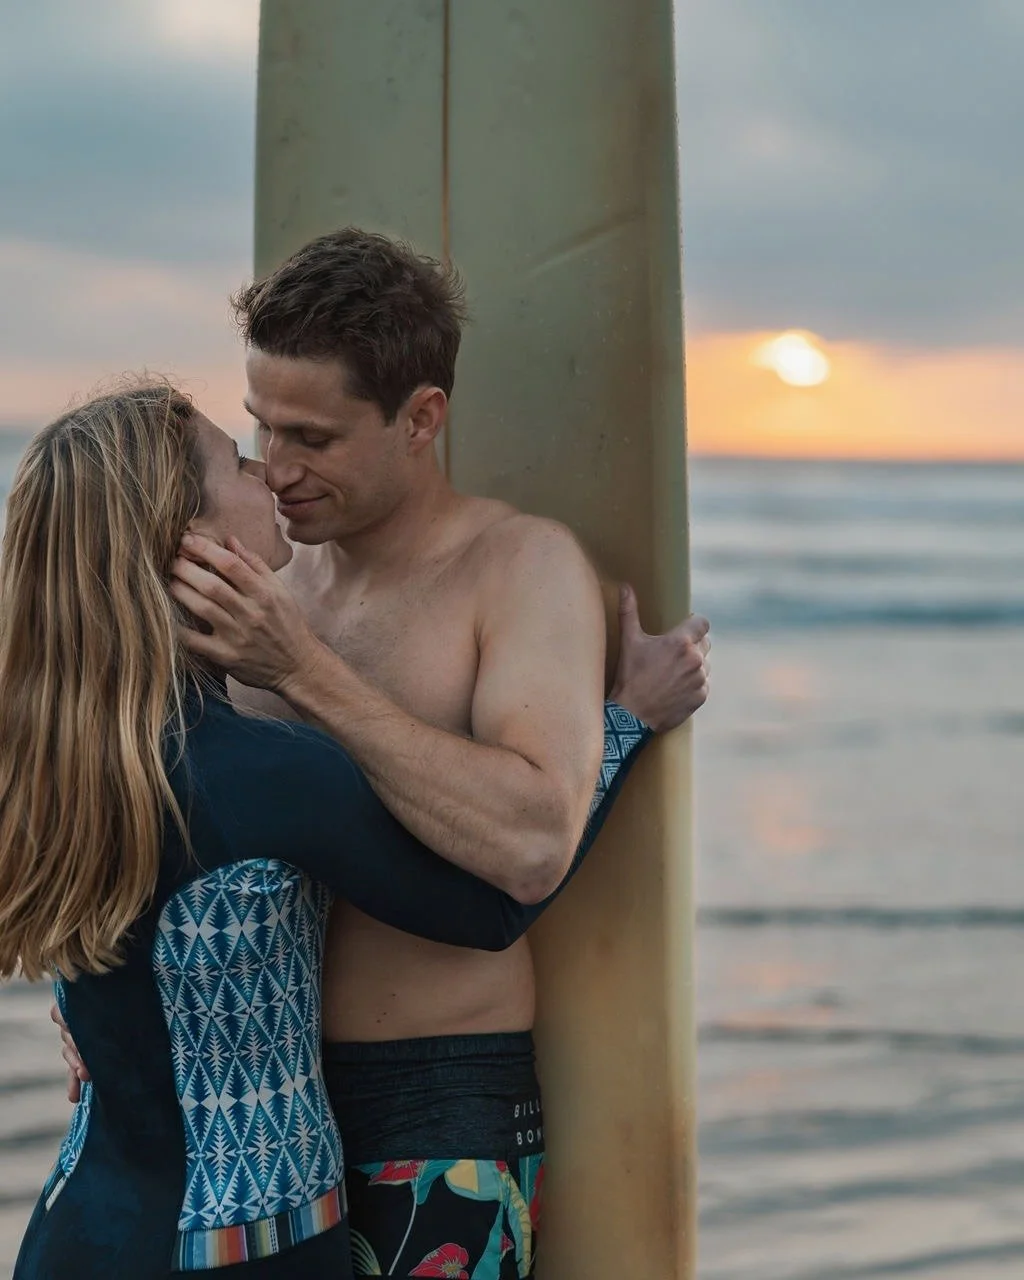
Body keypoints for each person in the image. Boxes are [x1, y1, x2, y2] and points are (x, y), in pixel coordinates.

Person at [2, 383, 655, 1279]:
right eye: (237, 459)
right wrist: (623, 725)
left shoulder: (39, 761)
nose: (265, 468)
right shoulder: (266, 774)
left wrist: (98, 1013)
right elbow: (497, 898)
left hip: (76, 1231)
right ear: (193, 542)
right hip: (252, 1251)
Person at [157, 229, 710, 1277]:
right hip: (240, 1102)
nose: (276, 470)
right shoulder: (262, 577)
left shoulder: (517, 568)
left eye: (313, 437)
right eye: (260, 428)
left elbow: (529, 840)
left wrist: (306, 671)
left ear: (421, 418)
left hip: (437, 1100)